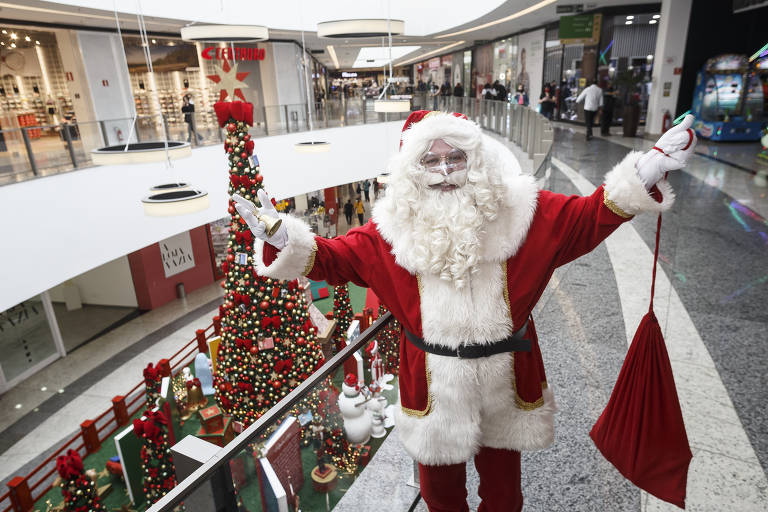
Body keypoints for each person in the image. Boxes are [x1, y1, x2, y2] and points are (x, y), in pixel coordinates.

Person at [233, 111, 696, 511]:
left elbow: (588, 216)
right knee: (441, 498)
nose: (444, 171)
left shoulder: (521, 212)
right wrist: (280, 239)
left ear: (476, 161)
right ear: (411, 170)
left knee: (505, 496)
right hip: (434, 388)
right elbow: (332, 257)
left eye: (456, 158)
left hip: (505, 380)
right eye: (430, 161)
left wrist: (646, 171)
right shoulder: (387, 233)